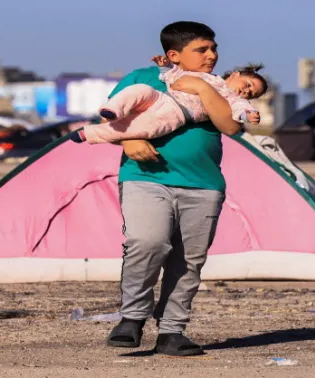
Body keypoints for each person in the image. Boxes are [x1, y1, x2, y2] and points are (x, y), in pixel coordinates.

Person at [104, 21, 243, 357]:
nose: (212, 55)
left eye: (214, 48)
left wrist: (203, 89)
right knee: (147, 242)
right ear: (174, 54)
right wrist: (129, 140)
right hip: (145, 178)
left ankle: (171, 331)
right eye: (202, 49)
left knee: (188, 262)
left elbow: (231, 126)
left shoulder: (219, 87)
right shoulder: (143, 78)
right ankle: (132, 318)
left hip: (203, 184)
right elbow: (110, 117)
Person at [69, 57, 267, 144]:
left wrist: (248, 115)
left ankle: (90, 133)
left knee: (142, 128)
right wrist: (165, 67)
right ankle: (113, 109)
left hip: (177, 114)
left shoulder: (232, 99)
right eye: (248, 84)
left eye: (251, 94)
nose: (246, 92)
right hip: (164, 97)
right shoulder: (207, 77)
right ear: (236, 74)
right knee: (141, 90)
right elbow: (174, 76)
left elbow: (240, 110)